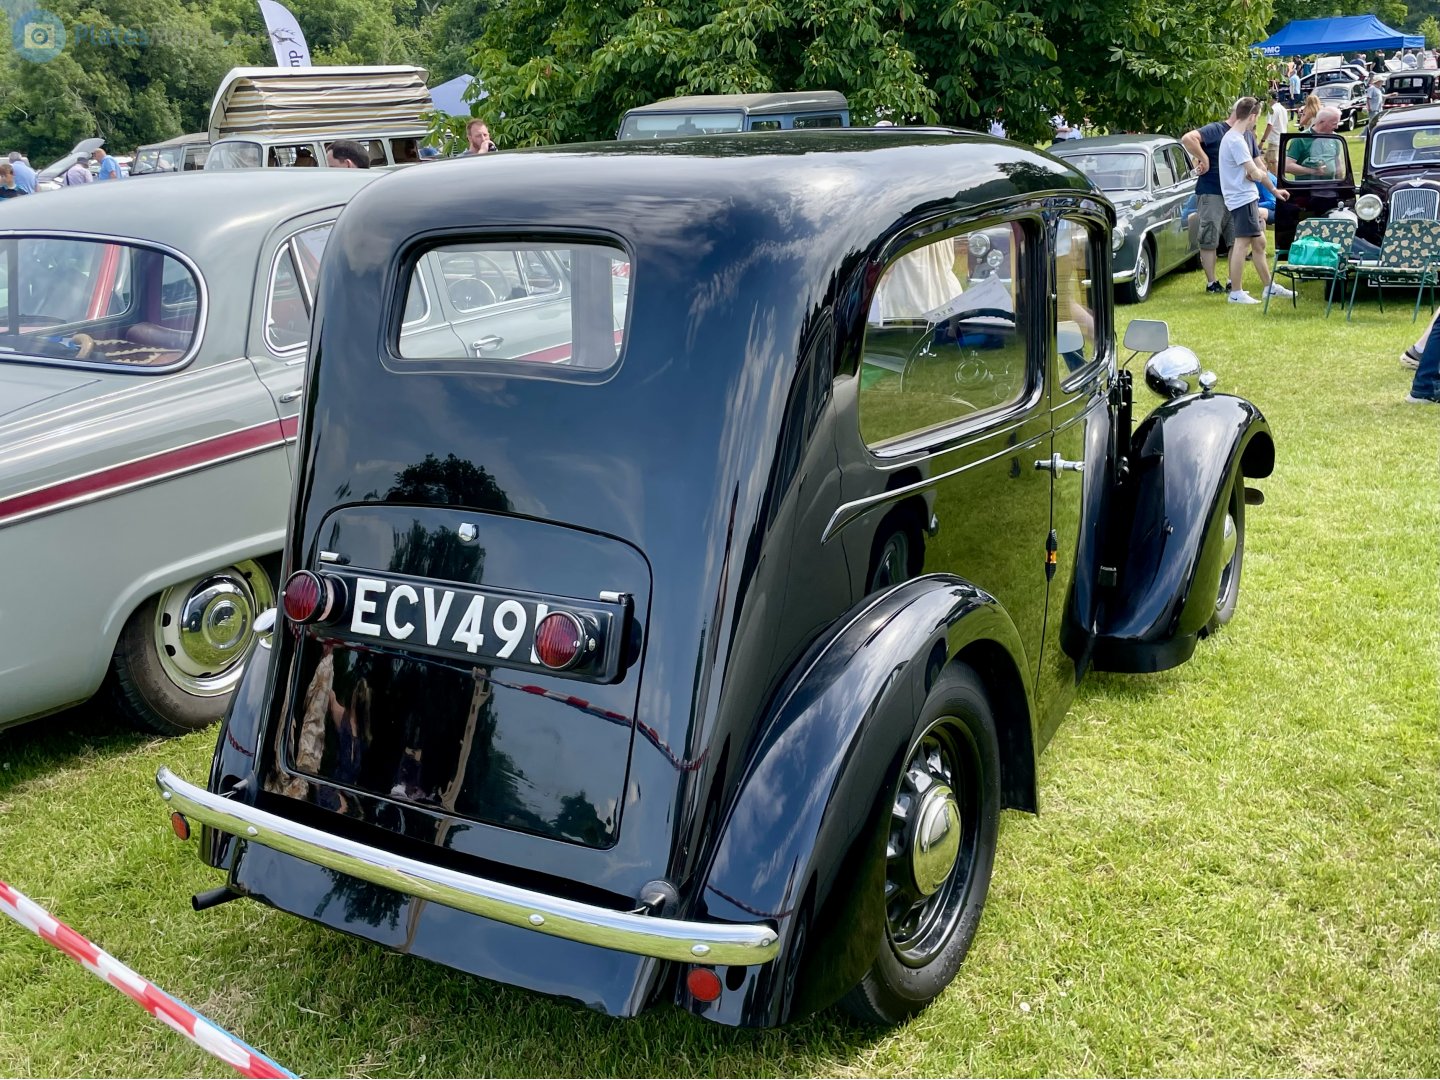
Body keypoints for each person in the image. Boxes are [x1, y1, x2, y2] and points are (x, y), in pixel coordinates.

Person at [1181, 100, 1261, 294]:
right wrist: (1205, 158)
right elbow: (1188, 138)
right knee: (1209, 236)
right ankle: (1212, 282)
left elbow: (1258, 162)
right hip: (1212, 191)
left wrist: (1260, 175)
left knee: (1237, 238)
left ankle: (1233, 281)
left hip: (1236, 195)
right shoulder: (1216, 129)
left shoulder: (1247, 136)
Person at [1217, 96, 1290, 304]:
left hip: (1246, 197)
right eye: (1257, 117)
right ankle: (1236, 292)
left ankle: (1269, 287)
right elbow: (1254, 171)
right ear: (1252, 116)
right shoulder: (1235, 140)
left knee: (1259, 243)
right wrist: (1256, 174)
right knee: (1242, 243)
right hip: (1242, 198)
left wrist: (1273, 190)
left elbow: (1258, 169)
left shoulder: (1237, 137)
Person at [1284, 106, 1343, 180]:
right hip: (1307, 186)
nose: (1337, 127)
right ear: (1321, 122)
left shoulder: (1335, 138)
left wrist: (1341, 183)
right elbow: (1287, 166)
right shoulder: (1300, 139)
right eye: (1334, 124)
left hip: (1330, 185)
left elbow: (1337, 163)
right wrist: (1312, 171)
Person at [1260, 89, 1289, 174]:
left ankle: (1276, 180)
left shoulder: (1272, 109)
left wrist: (1262, 141)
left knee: (1272, 161)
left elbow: (1270, 125)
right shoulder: (1283, 108)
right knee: (1267, 159)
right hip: (1282, 138)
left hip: (1275, 140)